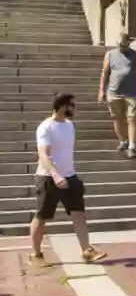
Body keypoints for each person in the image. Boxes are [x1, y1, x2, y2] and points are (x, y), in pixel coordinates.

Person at [28, 94, 106, 267]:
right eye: (72, 105)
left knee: (79, 213)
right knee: (42, 217)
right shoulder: (46, 127)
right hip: (48, 178)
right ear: (63, 106)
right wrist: (55, 175)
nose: (74, 109)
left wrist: (66, 175)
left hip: (70, 176)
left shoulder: (70, 125)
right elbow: (43, 154)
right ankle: (36, 253)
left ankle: (87, 251)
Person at [97, 32, 136, 159]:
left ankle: (132, 146)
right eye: (121, 45)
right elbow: (105, 73)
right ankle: (123, 141)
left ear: (129, 44)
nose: (123, 48)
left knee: (132, 118)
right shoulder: (110, 55)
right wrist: (101, 91)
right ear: (117, 44)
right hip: (114, 93)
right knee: (117, 118)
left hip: (132, 94)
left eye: (126, 46)